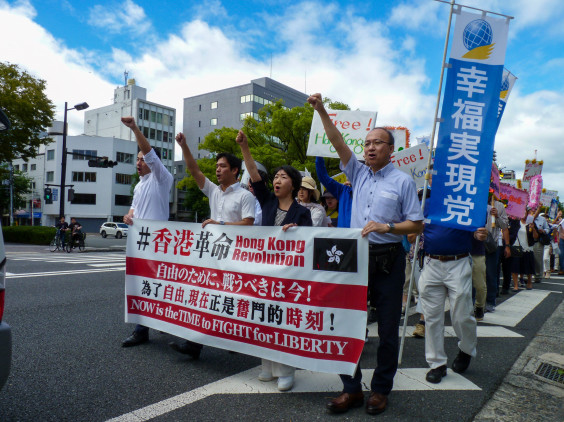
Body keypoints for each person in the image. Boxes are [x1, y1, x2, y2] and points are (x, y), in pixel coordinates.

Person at [308, 93, 423, 415]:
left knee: (387, 329)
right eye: (367, 143)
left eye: (378, 143)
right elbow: (336, 140)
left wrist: (388, 227)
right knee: (348, 325)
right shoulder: (356, 173)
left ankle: (381, 390)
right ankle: (351, 388)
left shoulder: (402, 182)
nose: (370, 147)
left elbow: (416, 223)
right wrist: (320, 111)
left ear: (391, 149)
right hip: (354, 260)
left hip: (389, 260)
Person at [236, 130, 312, 392]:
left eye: (283, 177)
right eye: (276, 176)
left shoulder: (302, 213)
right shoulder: (266, 201)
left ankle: (286, 371)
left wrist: (298, 234)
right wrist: (245, 147)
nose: (277, 180)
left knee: (283, 320)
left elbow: (309, 243)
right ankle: (266, 366)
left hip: (288, 277)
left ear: (294, 183)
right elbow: (255, 176)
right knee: (262, 317)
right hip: (263, 272)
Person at [169, 132, 256, 358]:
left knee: (233, 298)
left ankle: (235, 339)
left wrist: (221, 224)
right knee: (206, 294)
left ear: (235, 170)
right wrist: (184, 146)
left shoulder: (245, 196)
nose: (217, 170)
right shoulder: (213, 191)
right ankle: (194, 343)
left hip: (236, 256)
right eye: (217, 166)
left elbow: (248, 223)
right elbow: (194, 170)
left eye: (222, 166)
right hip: (212, 253)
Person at [120, 116, 174, 347]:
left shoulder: (162, 178)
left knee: (157, 284)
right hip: (139, 243)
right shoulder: (139, 185)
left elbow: (150, 153)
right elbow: (134, 210)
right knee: (142, 285)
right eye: (137, 160)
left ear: (154, 162)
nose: (139, 163)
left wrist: (134, 128)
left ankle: (147, 327)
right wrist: (129, 217)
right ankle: (146, 326)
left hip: (158, 243)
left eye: (143, 159)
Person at [419, 212, 487, 384]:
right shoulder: (425, 202)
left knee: (462, 313)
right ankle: (437, 363)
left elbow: (477, 229)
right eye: (432, 181)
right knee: (432, 316)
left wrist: (478, 233)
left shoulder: (465, 197)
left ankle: (466, 348)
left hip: (459, 261)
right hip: (430, 262)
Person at [484, 198, 510, 312]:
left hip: (491, 245)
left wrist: (497, 216)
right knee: (474, 274)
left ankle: (490, 301)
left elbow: (504, 226)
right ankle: (474, 301)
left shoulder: (499, 206)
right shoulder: (474, 199)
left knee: (491, 274)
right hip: (474, 243)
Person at [315, 156, 352, 228]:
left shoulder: (371, 190)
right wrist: (319, 154)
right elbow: (323, 177)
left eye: (331, 197)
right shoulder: (344, 190)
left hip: (363, 237)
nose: (329, 199)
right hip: (344, 237)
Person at [510, 211, 536, 291]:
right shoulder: (515, 222)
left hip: (527, 247)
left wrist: (533, 229)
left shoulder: (531, 223)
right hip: (516, 247)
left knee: (529, 267)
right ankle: (516, 285)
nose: (524, 215)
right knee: (515, 267)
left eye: (526, 213)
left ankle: (529, 282)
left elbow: (535, 237)